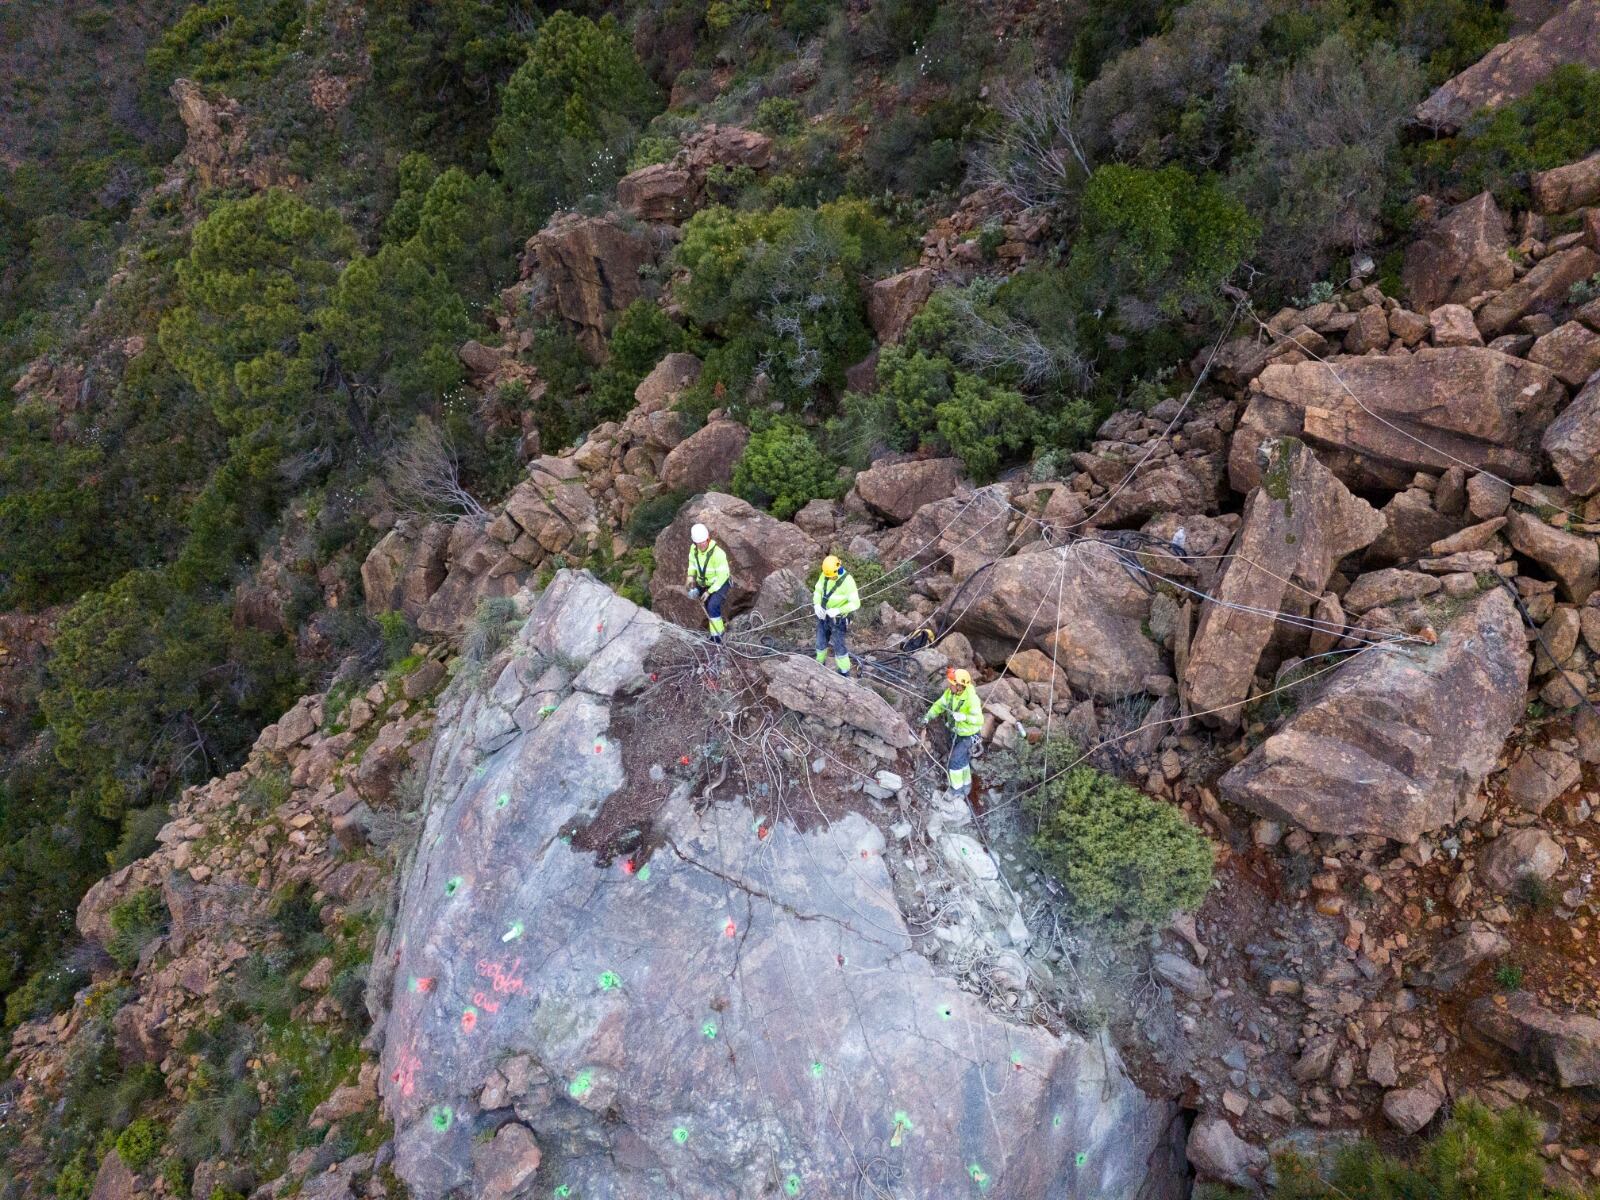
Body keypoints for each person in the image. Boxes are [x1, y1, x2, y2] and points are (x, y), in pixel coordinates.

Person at [921, 667, 983, 798]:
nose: (949, 686)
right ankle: (967, 785)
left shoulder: (972, 699)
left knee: (954, 761)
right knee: (962, 760)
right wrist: (928, 716)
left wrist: (964, 717)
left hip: (969, 736)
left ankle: (956, 790)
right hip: (955, 733)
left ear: (960, 686)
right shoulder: (950, 693)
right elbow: (939, 705)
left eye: (952, 684)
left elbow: (979, 720)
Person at [812, 554, 861, 677]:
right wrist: (817, 604)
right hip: (824, 616)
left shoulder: (848, 582)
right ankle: (819, 664)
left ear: (838, 569)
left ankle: (843, 672)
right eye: (829, 576)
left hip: (838, 620)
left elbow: (855, 603)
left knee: (839, 646)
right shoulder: (825, 574)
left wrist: (838, 610)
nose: (831, 578)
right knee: (820, 642)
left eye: (832, 576)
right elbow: (818, 590)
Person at [685, 522, 731, 644]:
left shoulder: (718, 554)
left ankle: (717, 637)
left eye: (703, 541)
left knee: (712, 606)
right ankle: (717, 628)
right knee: (702, 602)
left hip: (720, 583)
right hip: (704, 583)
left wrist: (709, 592)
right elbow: (692, 564)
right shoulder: (693, 550)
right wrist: (690, 576)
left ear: (708, 538)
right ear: (694, 542)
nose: (701, 545)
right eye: (698, 543)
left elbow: (722, 576)